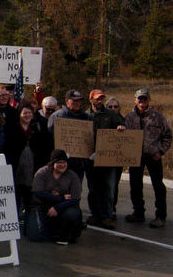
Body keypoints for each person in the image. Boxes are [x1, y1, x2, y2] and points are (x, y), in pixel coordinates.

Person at [125, 88, 171, 229]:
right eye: (139, 99)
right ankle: (138, 213)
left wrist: (161, 151)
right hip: (135, 157)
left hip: (153, 156)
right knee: (135, 185)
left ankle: (160, 216)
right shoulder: (129, 117)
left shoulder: (157, 116)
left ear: (149, 100)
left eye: (144, 99)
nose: (142, 102)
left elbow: (168, 136)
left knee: (158, 186)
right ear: (135, 100)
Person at [85, 89, 125, 230]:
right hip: (90, 159)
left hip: (108, 159)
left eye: (102, 98)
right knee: (93, 188)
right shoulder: (86, 115)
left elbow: (122, 126)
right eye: (97, 98)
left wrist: (121, 128)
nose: (100, 101)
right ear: (91, 100)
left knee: (108, 187)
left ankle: (107, 216)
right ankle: (94, 214)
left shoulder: (111, 115)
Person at [27, 150, 82, 245]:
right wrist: (61, 198)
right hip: (42, 205)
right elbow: (38, 192)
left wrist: (58, 207)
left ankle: (65, 235)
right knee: (35, 236)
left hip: (64, 206)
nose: (62, 165)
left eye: (64, 162)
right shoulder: (42, 172)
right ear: (52, 163)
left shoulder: (72, 176)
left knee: (71, 214)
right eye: (59, 163)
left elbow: (75, 198)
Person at [47, 90, 92, 182]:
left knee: (76, 191)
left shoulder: (86, 117)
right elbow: (49, 138)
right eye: (74, 100)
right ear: (67, 101)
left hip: (79, 163)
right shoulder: (57, 116)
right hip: (61, 164)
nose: (77, 103)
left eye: (79, 100)